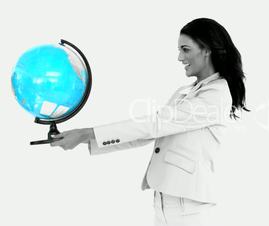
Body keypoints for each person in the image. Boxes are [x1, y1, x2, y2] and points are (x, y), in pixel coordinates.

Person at [51, 18, 249, 226]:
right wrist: (85, 139)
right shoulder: (186, 92)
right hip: (164, 202)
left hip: (189, 210)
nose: (179, 57)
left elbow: (153, 124)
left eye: (185, 49)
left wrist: (86, 132)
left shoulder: (216, 94)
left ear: (206, 50)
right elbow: (150, 133)